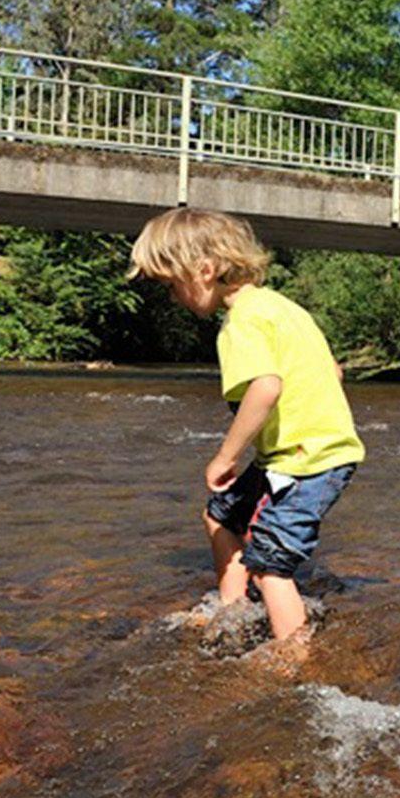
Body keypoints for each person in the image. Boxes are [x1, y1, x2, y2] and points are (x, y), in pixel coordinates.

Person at [129, 208, 364, 667]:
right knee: (220, 516)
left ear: (205, 270)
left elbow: (266, 387)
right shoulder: (282, 307)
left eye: (172, 284)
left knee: (270, 565)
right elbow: (331, 370)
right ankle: (231, 609)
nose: (173, 297)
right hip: (306, 451)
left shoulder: (240, 325)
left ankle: (293, 660)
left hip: (303, 461)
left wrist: (225, 455)